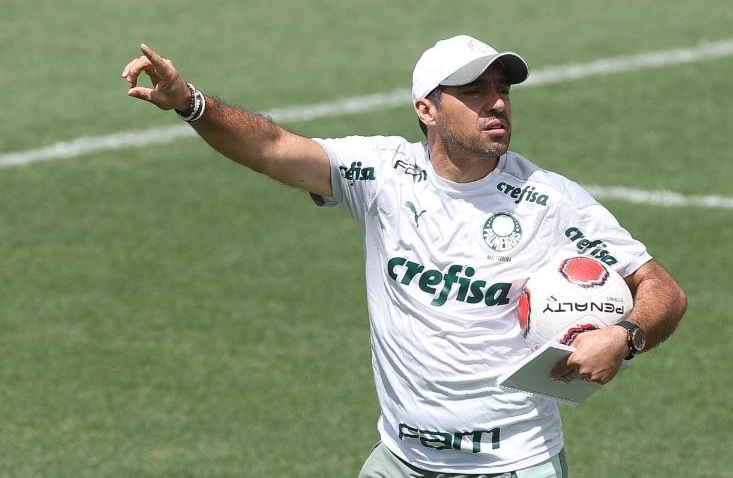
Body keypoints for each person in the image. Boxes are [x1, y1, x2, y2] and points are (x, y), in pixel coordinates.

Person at [122, 35, 687, 477]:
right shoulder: (382, 174)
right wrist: (191, 104)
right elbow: (272, 148)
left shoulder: (550, 201)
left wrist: (626, 336)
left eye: (502, 89)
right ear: (427, 109)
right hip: (402, 461)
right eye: (472, 91)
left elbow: (663, 290)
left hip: (511, 465)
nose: (495, 102)